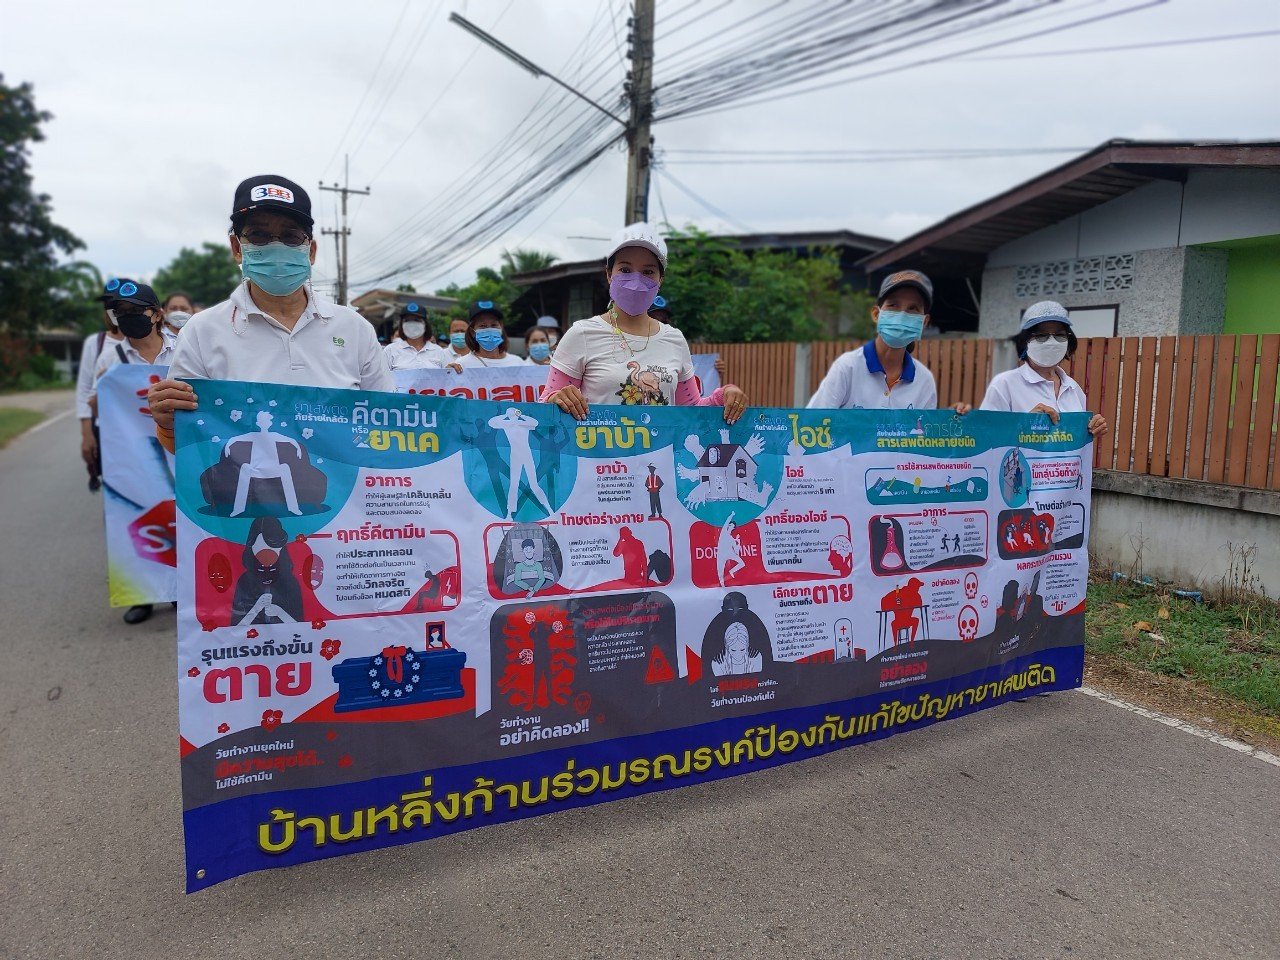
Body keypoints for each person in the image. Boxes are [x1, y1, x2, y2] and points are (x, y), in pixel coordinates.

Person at [147, 175, 392, 451]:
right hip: (244, 478)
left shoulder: (355, 329)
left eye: (291, 236)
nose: (276, 246)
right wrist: (168, 424)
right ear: (237, 248)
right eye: (258, 236)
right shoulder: (201, 332)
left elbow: (389, 426)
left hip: (341, 479)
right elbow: (190, 447)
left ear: (310, 251)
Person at [541, 223, 747, 422]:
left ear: (660, 280)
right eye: (625, 270)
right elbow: (544, 407)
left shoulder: (675, 340)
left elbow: (691, 411)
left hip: (661, 447)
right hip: (600, 448)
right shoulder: (582, 334)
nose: (636, 281)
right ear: (609, 274)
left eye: (648, 272)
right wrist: (556, 399)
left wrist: (724, 395)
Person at [89, 281, 175, 626]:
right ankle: (142, 595)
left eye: (135, 311)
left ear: (156, 314)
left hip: (176, 447)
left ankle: (178, 589)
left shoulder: (182, 348)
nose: (126, 318)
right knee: (137, 515)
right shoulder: (111, 357)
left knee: (178, 516)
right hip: (132, 453)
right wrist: (106, 387)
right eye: (119, 312)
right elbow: (95, 406)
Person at [807, 270, 969, 413]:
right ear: (876, 314)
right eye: (893, 305)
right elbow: (813, 423)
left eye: (913, 308)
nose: (902, 315)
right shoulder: (848, 368)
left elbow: (924, 434)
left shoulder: (924, 380)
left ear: (924, 322)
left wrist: (948, 418)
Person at [979, 300, 1109, 436]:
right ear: (1025, 341)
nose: (1052, 342)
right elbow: (984, 435)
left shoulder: (1073, 388)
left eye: (1059, 335)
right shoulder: (1004, 384)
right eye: (1041, 335)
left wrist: (1091, 430)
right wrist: (1026, 424)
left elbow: (1075, 437)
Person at [76, 279, 127, 491]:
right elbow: (84, 390)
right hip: (109, 431)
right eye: (108, 304)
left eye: (118, 303)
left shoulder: (153, 342)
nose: (113, 308)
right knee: (118, 487)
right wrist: (87, 434)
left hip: (146, 426)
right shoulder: (96, 344)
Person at [451, 302, 527, 369]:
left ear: (501, 327)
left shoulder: (517, 362)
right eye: (482, 326)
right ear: (472, 332)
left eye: (494, 325)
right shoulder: (461, 365)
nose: (489, 329)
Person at [384, 301, 448, 371]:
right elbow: (382, 376)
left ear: (425, 324)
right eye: (407, 320)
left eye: (416, 320)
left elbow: (447, 375)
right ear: (402, 325)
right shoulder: (390, 350)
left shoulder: (438, 351)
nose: (412, 324)